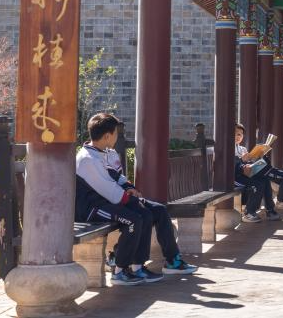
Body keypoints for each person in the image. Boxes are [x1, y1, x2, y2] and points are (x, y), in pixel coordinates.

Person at [75, 113, 198, 285]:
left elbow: (118, 178)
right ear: (107, 136)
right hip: (93, 208)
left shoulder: (108, 153)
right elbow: (109, 191)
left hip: (110, 202)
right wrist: (133, 200)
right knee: (134, 219)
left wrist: (130, 189)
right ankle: (120, 270)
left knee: (157, 210)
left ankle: (149, 264)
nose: (117, 136)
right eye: (116, 133)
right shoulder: (87, 159)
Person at [234, 124, 283, 222]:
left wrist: (258, 157)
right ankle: (249, 213)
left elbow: (248, 164)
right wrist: (242, 161)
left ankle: (270, 209)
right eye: (234, 133)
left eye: (240, 134)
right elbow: (231, 167)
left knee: (265, 180)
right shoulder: (226, 148)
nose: (237, 136)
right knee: (257, 184)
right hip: (234, 178)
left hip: (245, 175)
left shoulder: (242, 149)